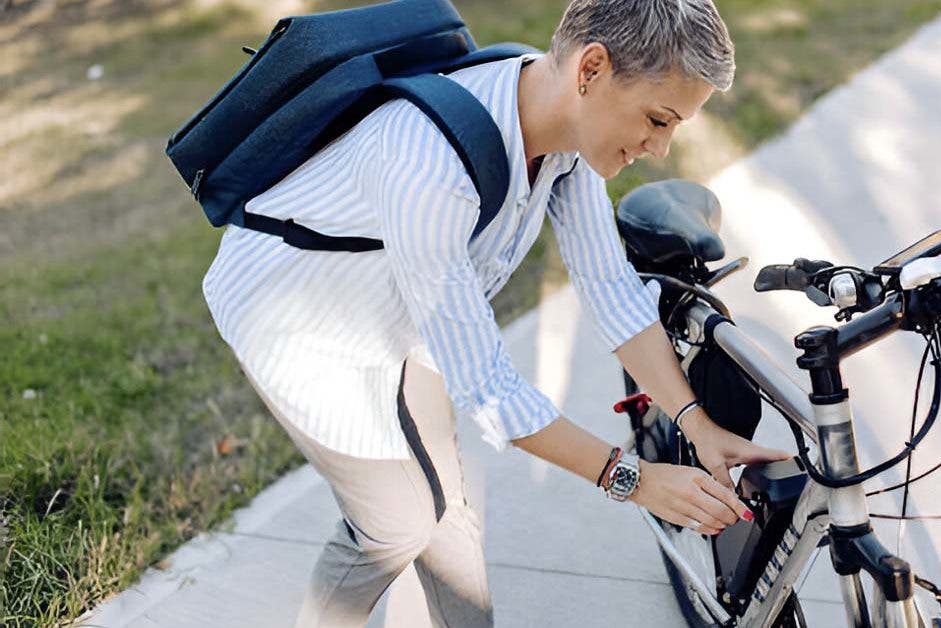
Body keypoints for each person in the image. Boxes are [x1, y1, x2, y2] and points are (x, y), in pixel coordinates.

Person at [201, 0, 791, 625]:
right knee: (397, 525)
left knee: (448, 510)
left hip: (401, 313)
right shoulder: (428, 165)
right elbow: (489, 389)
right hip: (299, 323)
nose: (662, 148)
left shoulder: (562, 128)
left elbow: (612, 291)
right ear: (591, 69)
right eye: (657, 119)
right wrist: (634, 480)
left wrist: (696, 423)